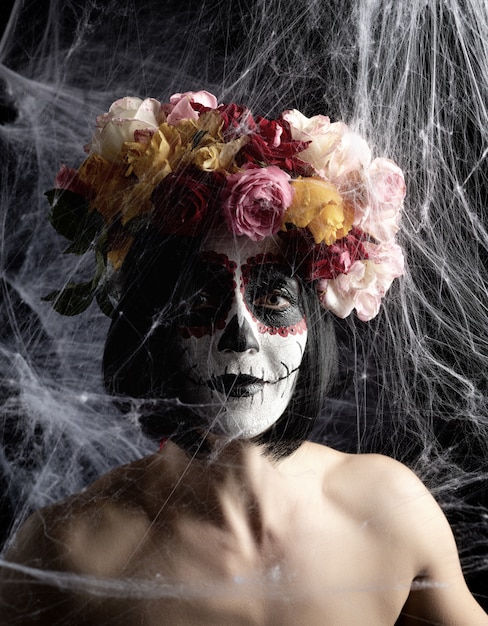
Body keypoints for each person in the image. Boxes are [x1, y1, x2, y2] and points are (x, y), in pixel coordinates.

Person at [1, 91, 486, 625]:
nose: (242, 337)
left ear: (314, 325)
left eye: (274, 298)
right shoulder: (66, 557)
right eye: (200, 298)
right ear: (151, 328)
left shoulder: (390, 512)